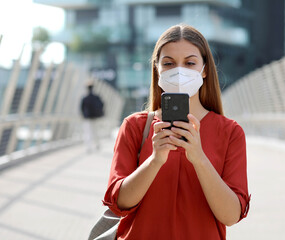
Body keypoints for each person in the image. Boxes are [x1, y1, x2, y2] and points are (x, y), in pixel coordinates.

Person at [103, 24, 250, 239]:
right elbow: (119, 204)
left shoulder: (230, 132)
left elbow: (230, 215)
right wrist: (154, 160)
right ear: (157, 69)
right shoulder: (135, 127)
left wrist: (200, 159)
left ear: (205, 69)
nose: (179, 71)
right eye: (169, 63)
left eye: (190, 63)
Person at [80, 82, 104, 152]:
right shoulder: (96, 97)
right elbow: (102, 105)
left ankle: (88, 147)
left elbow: (81, 108)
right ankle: (97, 144)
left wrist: (84, 115)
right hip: (96, 117)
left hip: (87, 118)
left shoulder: (85, 98)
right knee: (96, 132)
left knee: (88, 132)